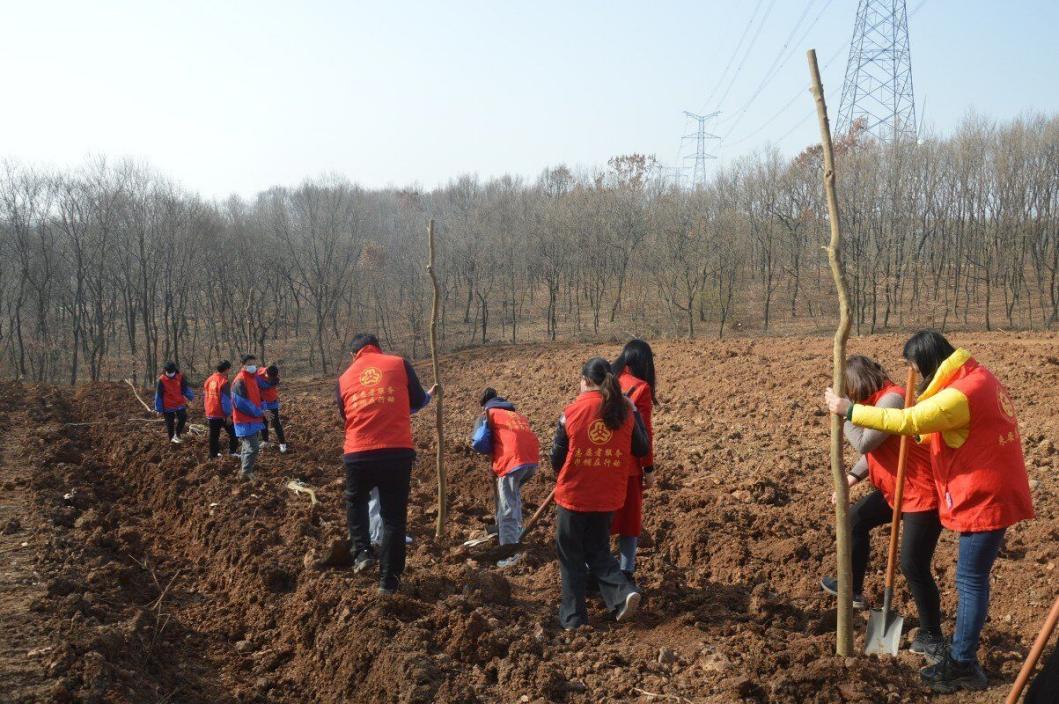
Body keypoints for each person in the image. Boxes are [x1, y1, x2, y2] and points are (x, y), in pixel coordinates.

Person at [825, 331, 1035, 693]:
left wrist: (849, 412)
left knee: (946, 574)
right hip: (963, 488)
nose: (913, 374)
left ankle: (950, 651)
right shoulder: (975, 378)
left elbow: (907, 423)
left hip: (963, 493)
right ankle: (953, 652)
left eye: (913, 366)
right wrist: (856, 473)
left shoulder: (958, 393)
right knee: (864, 522)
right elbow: (918, 434)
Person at [818, 355, 944, 661]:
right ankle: (855, 590)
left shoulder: (892, 400)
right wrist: (851, 477)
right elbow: (877, 450)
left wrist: (844, 413)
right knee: (856, 519)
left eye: (848, 390)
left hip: (920, 494)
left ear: (856, 383)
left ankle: (932, 636)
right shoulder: (876, 402)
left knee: (913, 565)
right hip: (894, 489)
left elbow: (865, 442)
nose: (848, 396)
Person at [550, 357, 650, 630]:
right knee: (598, 550)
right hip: (609, 497)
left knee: (570, 554)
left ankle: (573, 619)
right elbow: (641, 448)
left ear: (585, 381)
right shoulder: (625, 410)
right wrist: (635, 413)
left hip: (574, 495)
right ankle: (622, 592)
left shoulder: (571, 411)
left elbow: (556, 458)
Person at [336, 333, 435, 595]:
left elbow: (345, 414)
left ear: (353, 355)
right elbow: (415, 401)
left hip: (358, 451)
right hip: (396, 452)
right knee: (393, 519)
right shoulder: (399, 363)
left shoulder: (344, 377)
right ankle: (388, 583)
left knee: (355, 500)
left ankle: (362, 552)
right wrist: (428, 397)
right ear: (379, 348)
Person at [471, 387, 541, 565]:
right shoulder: (514, 414)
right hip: (531, 461)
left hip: (512, 461)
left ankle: (509, 552)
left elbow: (478, 442)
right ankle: (511, 531)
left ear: (484, 404)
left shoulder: (488, 414)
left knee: (506, 504)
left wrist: (489, 450)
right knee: (512, 495)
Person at [610, 339, 657, 581]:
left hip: (600, 461)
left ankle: (594, 567)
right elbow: (644, 432)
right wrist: (648, 468)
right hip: (627, 467)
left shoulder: (608, 381)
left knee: (599, 519)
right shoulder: (640, 388)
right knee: (629, 521)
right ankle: (626, 571)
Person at [231, 355, 267, 480]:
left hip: (253, 420)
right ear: (243, 365)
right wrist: (260, 412)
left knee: (247, 447)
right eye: (250, 363)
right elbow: (242, 403)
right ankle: (246, 472)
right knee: (253, 447)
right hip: (244, 420)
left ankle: (244, 470)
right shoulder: (240, 380)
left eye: (254, 363)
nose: (253, 366)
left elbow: (259, 396)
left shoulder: (253, 378)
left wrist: (264, 408)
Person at [203, 360, 239, 460]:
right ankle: (232, 452)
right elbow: (226, 401)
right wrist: (228, 415)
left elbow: (205, 395)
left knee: (214, 435)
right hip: (221, 413)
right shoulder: (224, 382)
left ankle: (213, 455)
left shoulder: (209, 379)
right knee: (234, 432)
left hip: (211, 411)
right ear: (227, 369)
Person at [154, 361, 194, 444]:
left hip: (179, 403)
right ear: (166, 371)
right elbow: (159, 395)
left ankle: (177, 434)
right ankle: (171, 440)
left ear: (175, 370)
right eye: (169, 372)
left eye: (172, 372)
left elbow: (185, 389)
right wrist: (158, 409)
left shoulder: (180, 377)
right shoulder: (161, 380)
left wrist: (191, 397)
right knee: (170, 423)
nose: (171, 374)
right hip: (168, 405)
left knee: (183, 418)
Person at [256, 364, 288, 453]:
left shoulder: (275, 376)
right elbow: (259, 385)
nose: (271, 379)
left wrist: (271, 383)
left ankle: (282, 443)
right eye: (269, 377)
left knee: (275, 423)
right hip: (262, 402)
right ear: (266, 373)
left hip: (272, 401)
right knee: (263, 422)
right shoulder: (258, 373)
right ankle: (265, 441)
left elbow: (268, 385)